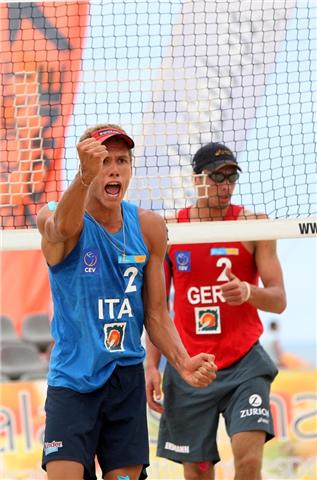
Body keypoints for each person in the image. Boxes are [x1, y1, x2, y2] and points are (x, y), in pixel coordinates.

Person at [36, 123, 217, 480]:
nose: (114, 168)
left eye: (122, 160)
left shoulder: (148, 227)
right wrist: (84, 178)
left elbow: (156, 313)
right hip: (73, 380)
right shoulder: (55, 215)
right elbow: (60, 229)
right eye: (103, 161)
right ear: (86, 168)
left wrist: (181, 362)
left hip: (125, 380)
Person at [145, 141, 287, 480]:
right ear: (197, 180)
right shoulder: (169, 230)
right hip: (190, 364)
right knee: (197, 471)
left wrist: (248, 291)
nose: (225, 186)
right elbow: (157, 308)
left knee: (249, 462)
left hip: (244, 363)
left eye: (231, 178)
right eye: (216, 177)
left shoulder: (255, 226)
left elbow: (279, 299)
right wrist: (151, 364)